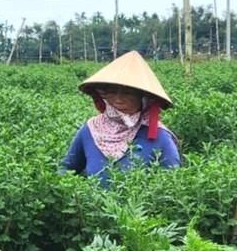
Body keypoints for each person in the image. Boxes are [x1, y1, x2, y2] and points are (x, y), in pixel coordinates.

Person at [61, 50, 181, 187]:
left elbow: (172, 184)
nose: (118, 99)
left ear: (143, 98)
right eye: (112, 92)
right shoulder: (90, 130)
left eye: (127, 93)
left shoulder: (159, 137)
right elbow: (66, 169)